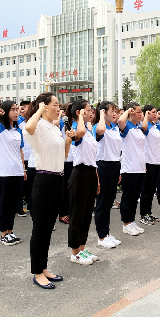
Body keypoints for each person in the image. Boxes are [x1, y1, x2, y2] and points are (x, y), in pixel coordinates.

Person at [23, 93, 73, 289]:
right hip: (43, 179)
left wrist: (68, 140)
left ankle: (43, 268)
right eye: (55, 104)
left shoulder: (53, 127)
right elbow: (28, 127)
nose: (59, 108)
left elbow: (63, 156)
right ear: (44, 106)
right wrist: (39, 110)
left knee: (48, 228)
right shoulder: (37, 125)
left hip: (58, 178)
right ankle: (37, 273)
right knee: (40, 229)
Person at [0, 100, 26, 246]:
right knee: (4, 203)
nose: (16, 112)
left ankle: (11, 230)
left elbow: (20, 151)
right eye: (12, 109)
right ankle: (4, 233)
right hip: (4, 172)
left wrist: (23, 169)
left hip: (17, 171)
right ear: (6, 111)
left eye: (17, 109)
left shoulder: (18, 131)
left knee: (14, 204)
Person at [67, 99, 100, 265]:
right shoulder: (75, 128)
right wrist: (80, 117)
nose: (91, 112)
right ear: (79, 112)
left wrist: (97, 179)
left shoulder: (89, 130)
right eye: (88, 109)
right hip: (79, 173)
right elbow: (79, 133)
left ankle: (82, 248)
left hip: (91, 173)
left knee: (87, 214)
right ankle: (74, 252)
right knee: (77, 214)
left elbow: (92, 158)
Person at [92, 101, 123, 248]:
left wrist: (119, 170)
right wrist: (101, 116)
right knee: (102, 203)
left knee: (109, 202)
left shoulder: (114, 128)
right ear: (103, 112)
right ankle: (102, 236)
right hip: (103, 165)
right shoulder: (99, 126)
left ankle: (107, 233)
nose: (115, 113)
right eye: (112, 111)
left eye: (116, 111)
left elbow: (117, 150)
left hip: (115, 165)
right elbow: (100, 131)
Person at [118, 102, 148, 236]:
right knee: (128, 197)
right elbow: (120, 120)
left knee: (135, 197)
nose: (141, 114)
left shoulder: (137, 128)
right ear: (131, 112)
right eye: (138, 111)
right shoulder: (127, 126)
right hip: (129, 168)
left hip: (140, 167)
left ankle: (132, 221)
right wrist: (127, 111)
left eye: (141, 112)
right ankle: (126, 223)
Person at [139, 105, 160, 226]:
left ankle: (149, 211)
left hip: (157, 160)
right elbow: (143, 128)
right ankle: (144, 214)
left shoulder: (155, 126)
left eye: (156, 112)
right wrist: (146, 116)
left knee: (152, 189)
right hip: (149, 161)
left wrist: (155, 118)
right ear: (147, 113)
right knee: (146, 189)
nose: (155, 114)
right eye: (153, 112)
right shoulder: (145, 126)